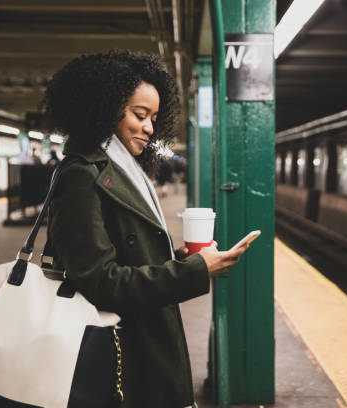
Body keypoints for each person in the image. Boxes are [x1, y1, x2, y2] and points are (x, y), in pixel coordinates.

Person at [43, 50, 248, 408]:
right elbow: (101, 282)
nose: (150, 128)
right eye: (140, 115)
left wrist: (177, 258)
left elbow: (129, 254)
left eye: (153, 117)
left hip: (142, 339)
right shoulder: (81, 176)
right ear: (104, 108)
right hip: (118, 354)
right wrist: (195, 271)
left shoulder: (125, 171)